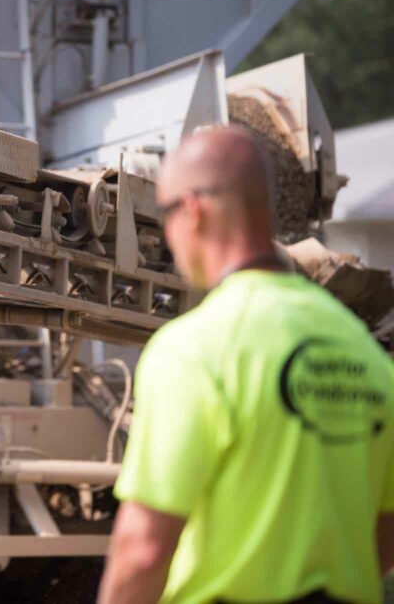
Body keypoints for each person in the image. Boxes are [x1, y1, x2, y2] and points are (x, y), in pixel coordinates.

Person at [98, 126, 394, 604]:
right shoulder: (363, 351)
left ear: (192, 210)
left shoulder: (193, 349)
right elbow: (385, 530)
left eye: (165, 215)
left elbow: (144, 551)